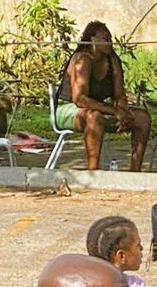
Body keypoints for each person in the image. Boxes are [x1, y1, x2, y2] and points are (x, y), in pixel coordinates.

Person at [56, 21, 151, 173]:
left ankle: (135, 170)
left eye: (110, 39)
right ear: (92, 40)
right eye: (105, 39)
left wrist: (122, 110)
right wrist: (114, 111)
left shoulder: (113, 60)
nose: (110, 43)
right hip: (70, 109)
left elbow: (119, 94)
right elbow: (80, 99)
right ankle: (93, 171)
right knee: (94, 117)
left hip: (99, 108)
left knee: (142, 117)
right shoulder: (83, 60)